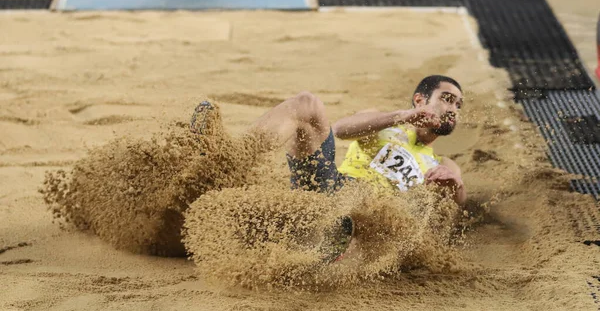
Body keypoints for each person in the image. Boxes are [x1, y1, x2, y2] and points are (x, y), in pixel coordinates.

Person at [191, 75, 466, 262]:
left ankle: (328, 241)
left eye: (458, 105)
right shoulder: (386, 122)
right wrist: (400, 117)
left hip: (370, 224)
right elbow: (340, 130)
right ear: (420, 99)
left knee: (364, 217)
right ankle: (227, 159)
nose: (453, 108)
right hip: (329, 187)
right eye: (446, 98)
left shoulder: (442, 164)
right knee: (306, 104)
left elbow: (452, 216)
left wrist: (455, 185)